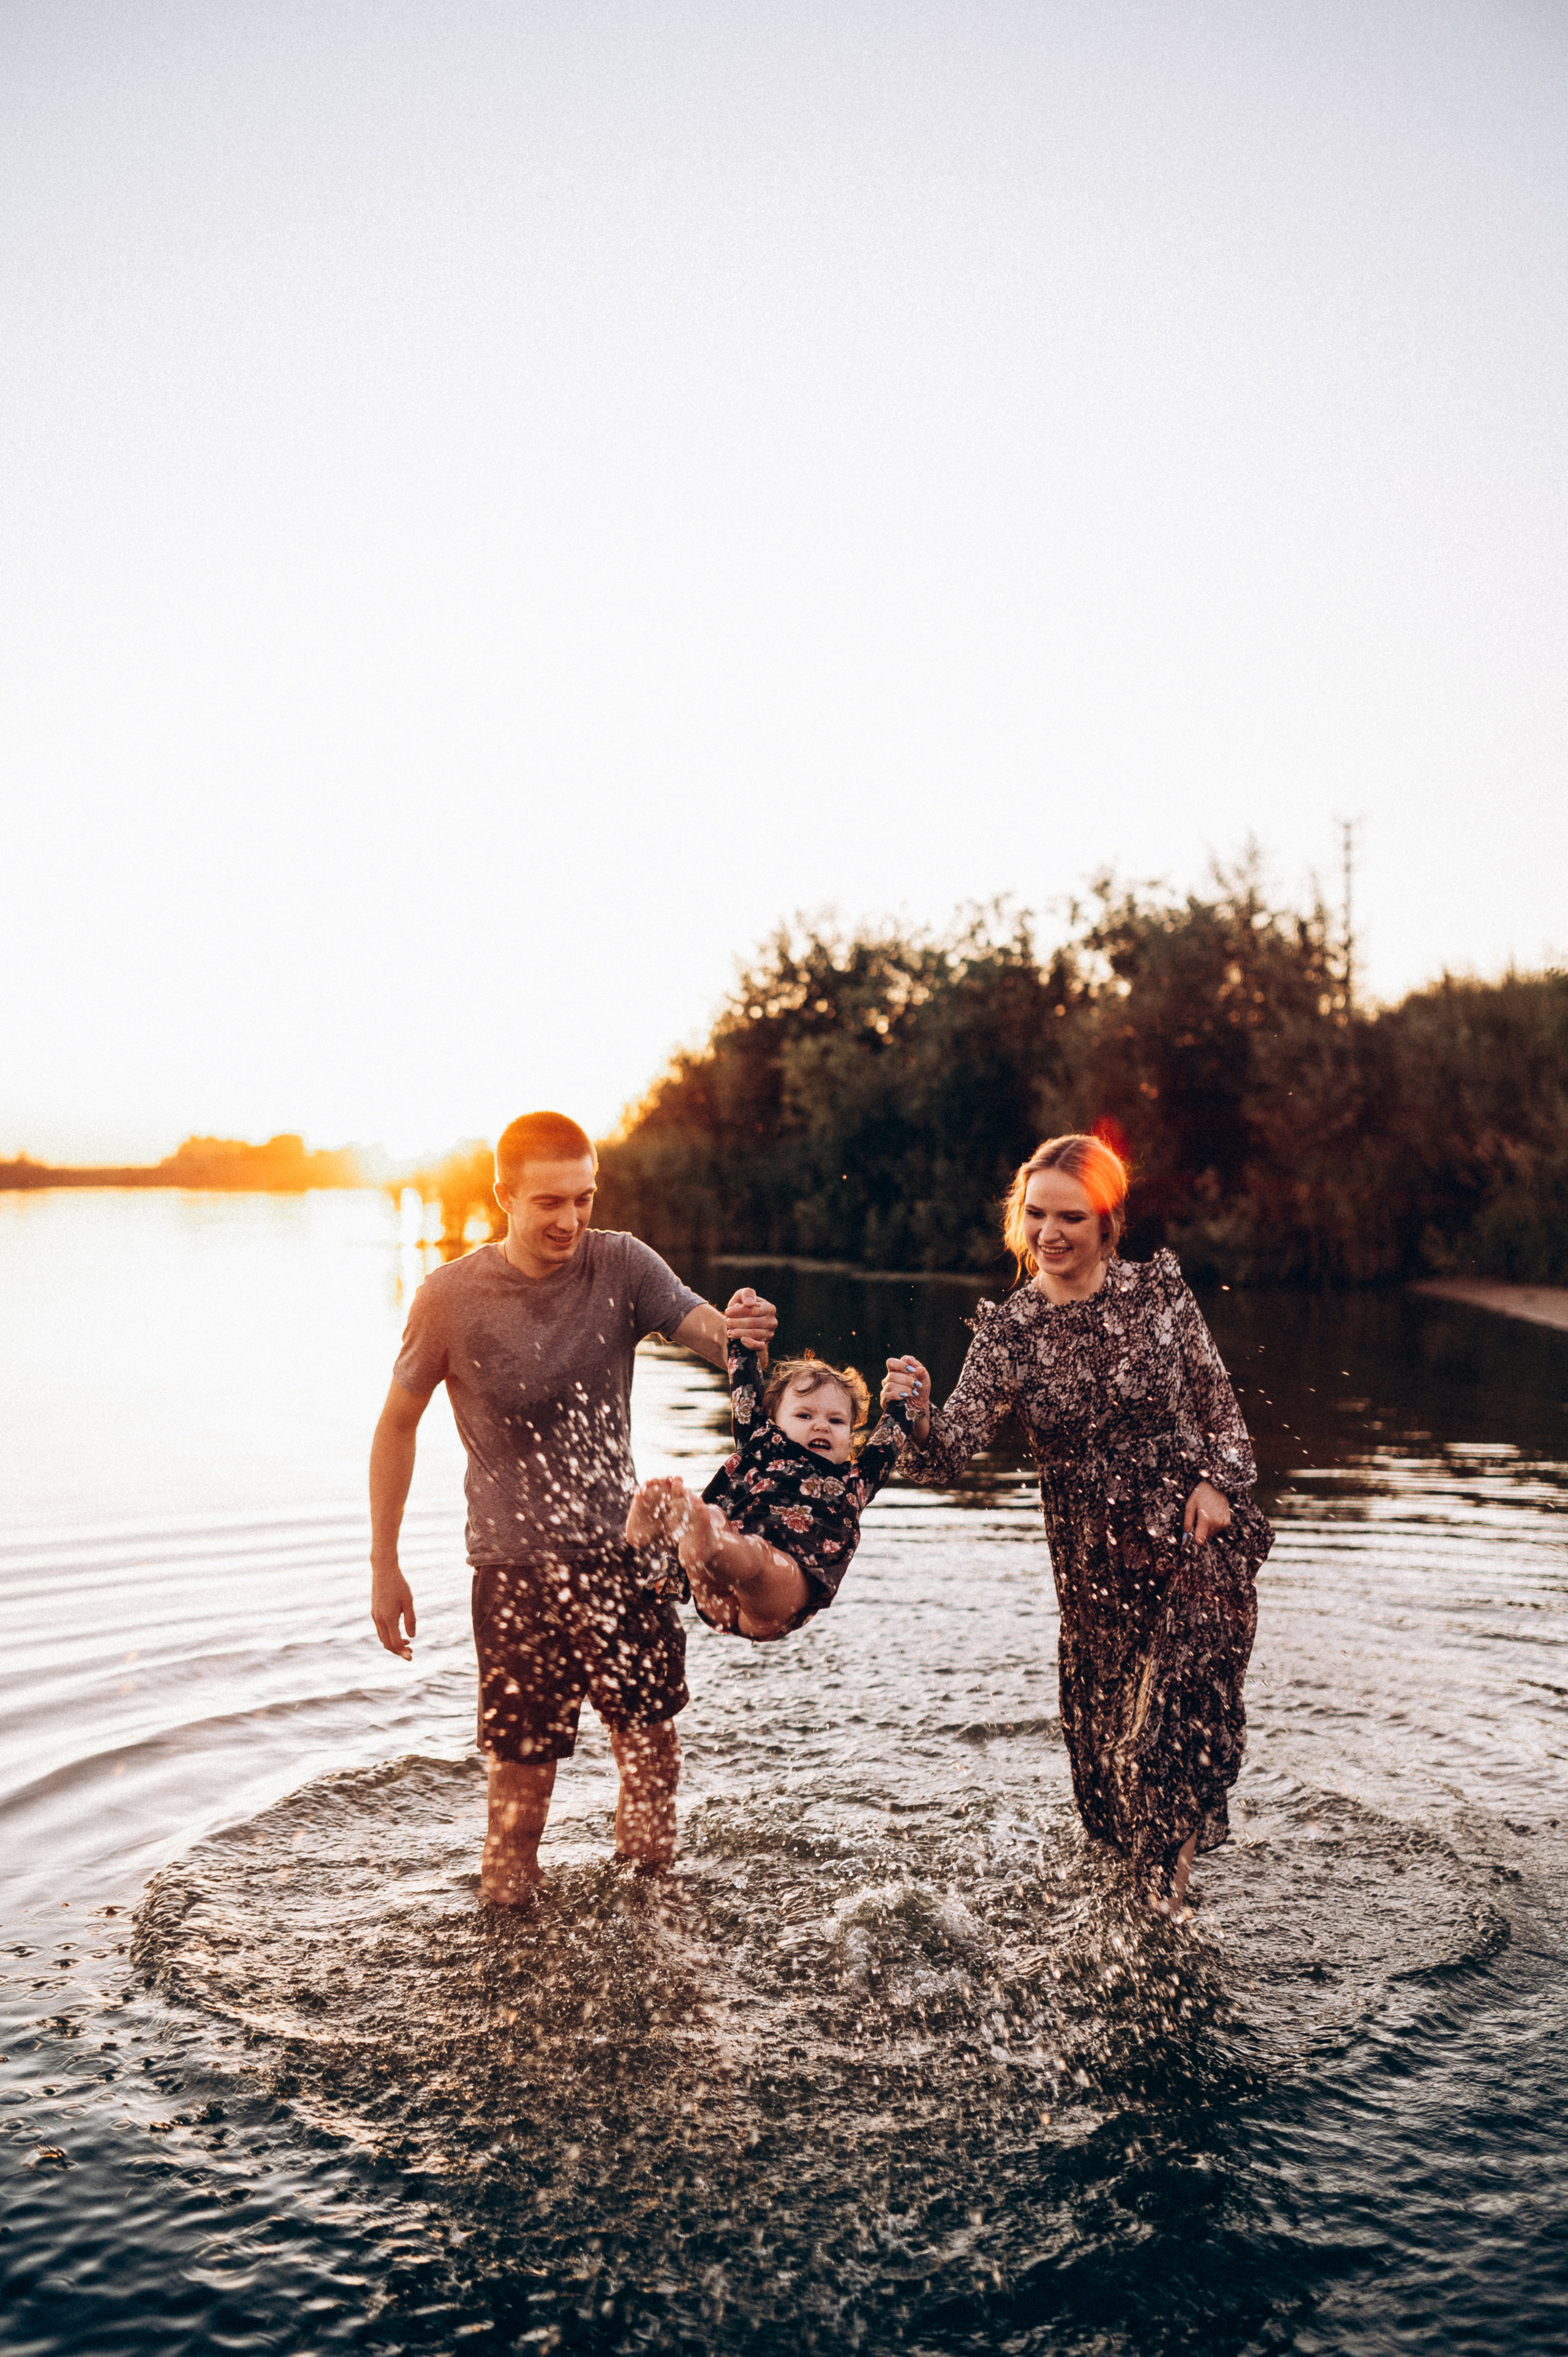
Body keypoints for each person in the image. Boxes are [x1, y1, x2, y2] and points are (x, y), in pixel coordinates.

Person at [368, 1110, 776, 1905]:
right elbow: (395, 1425)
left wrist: (741, 1334)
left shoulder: (622, 1264)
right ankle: (512, 1959)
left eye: (583, 1198)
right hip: (515, 1574)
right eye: (550, 1201)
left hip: (627, 1558)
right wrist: (385, 1563)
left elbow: (706, 1331)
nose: (571, 1219)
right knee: (520, 1803)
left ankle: (650, 1931)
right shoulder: (449, 1297)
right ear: (505, 1195)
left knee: (653, 1766)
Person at [883, 1133, 1272, 1919]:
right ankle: (1148, 1892)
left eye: (1070, 1216)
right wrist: (918, 1418)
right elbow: (947, 1453)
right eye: (1036, 1215)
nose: (1049, 1233)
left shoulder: (1159, 1293)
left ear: (1108, 1222)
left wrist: (1218, 1483)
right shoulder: (1010, 1332)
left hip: (1190, 1542)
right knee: (1108, 1789)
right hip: (1092, 1575)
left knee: (1168, 1730)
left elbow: (1220, 1408)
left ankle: (1165, 1910)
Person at [626, 1312, 914, 1641]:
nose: (820, 1425)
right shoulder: (759, 1442)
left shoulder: (856, 1480)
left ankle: (700, 1532)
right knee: (723, 1527)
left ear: (851, 1437)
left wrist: (903, 1395)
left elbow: (890, 1438)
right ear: (774, 1420)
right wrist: (742, 1336)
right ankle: (695, 1536)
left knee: (755, 1553)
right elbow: (744, 1380)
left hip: (779, 1595)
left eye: (836, 1421)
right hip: (719, 1589)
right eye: (804, 1415)